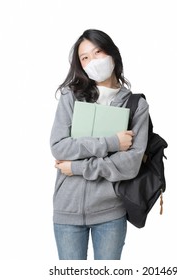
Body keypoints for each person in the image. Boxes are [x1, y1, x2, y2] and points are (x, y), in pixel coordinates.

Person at [50, 29, 149, 260]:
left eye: (98, 52)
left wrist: (77, 167)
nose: (93, 61)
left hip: (110, 213)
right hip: (67, 213)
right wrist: (112, 142)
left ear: (112, 53)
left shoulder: (136, 105)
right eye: (85, 58)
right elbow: (59, 147)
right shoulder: (71, 96)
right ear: (80, 65)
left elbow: (131, 164)